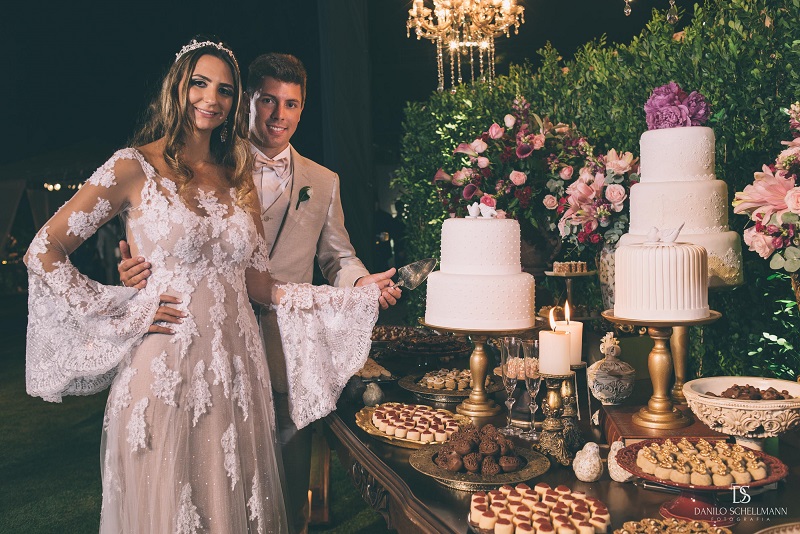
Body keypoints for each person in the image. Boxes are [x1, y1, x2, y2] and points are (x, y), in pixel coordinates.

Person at [24, 38, 380, 533]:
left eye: (225, 90)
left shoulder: (239, 176)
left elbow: (257, 281)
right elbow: (43, 249)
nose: (211, 98)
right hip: (166, 360)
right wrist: (124, 309)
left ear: (236, 102)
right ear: (178, 87)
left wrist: (346, 298)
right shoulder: (132, 166)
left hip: (240, 368)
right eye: (200, 83)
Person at [118, 52, 402, 533]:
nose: (278, 115)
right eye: (267, 101)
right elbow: (163, 230)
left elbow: (338, 255)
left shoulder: (323, 181)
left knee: (283, 492)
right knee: (204, 478)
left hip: (284, 346)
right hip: (204, 341)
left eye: (291, 104)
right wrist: (136, 272)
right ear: (246, 103)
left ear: (303, 108)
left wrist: (357, 284)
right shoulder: (210, 166)